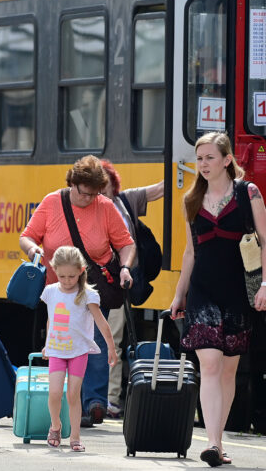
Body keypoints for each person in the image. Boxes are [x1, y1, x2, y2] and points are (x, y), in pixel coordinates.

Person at [169, 132, 266, 467]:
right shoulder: (191, 200)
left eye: (210, 158)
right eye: (199, 159)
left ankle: (219, 440)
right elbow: (190, 253)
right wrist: (179, 294)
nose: (202, 165)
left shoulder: (249, 193)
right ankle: (213, 443)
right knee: (210, 364)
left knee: (228, 370)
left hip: (238, 293)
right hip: (203, 290)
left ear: (227, 160)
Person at [19, 155, 135, 427]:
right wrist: (33, 249)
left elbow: (126, 243)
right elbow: (27, 236)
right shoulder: (51, 202)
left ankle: (94, 403)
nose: (89, 199)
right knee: (62, 343)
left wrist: (126, 268)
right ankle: (69, 400)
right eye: (84, 193)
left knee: (92, 340)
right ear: (72, 184)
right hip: (58, 289)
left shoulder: (104, 207)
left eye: (95, 194)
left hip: (92, 287)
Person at [100, 159, 164, 418]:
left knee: (112, 339)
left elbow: (162, 189)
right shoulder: (88, 208)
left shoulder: (126, 201)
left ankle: (111, 399)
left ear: (113, 185)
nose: (101, 193)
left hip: (120, 284)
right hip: (97, 281)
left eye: (105, 187)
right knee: (98, 340)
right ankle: (98, 396)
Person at [41, 246, 117, 452]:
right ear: (54, 270)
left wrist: (111, 347)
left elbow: (102, 323)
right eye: (62, 276)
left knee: (73, 394)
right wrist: (48, 344)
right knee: (55, 392)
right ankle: (55, 426)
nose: (66, 281)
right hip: (57, 349)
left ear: (81, 271)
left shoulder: (87, 295)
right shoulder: (50, 291)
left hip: (79, 351)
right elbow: (52, 319)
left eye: (72, 276)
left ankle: (75, 437)